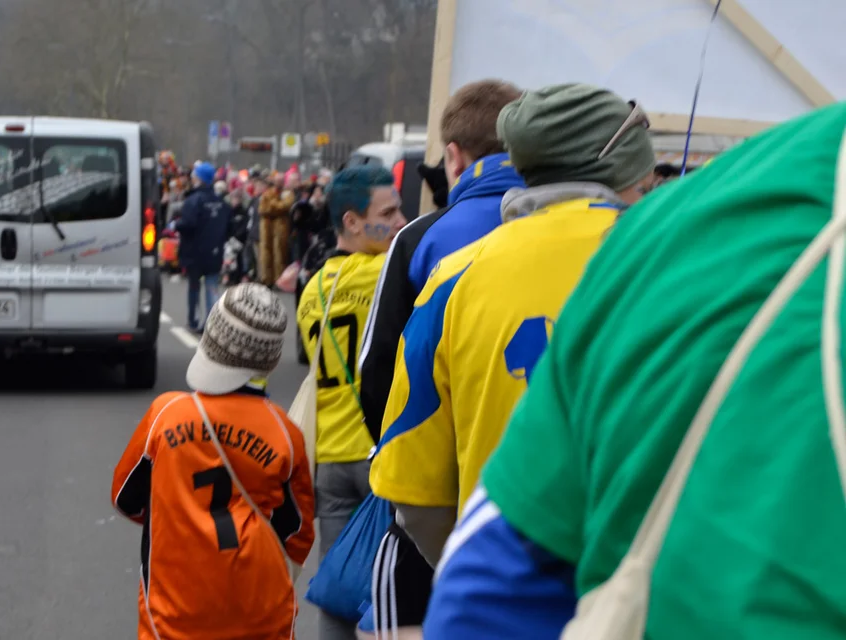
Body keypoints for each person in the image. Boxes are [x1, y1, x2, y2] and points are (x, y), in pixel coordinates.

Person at [424, 88, 846, 640]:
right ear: (625, 172)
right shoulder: (649, 235)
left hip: (532, 534)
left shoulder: (664, 235)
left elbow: (479, 583)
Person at [370, 86, 655, 640]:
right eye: (647, 182)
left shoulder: (452, 281)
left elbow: (413, 490)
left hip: (502, 610)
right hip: (656, 602)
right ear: (625, 173)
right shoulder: (677, 259)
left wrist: (483, 563)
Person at [355, 78, 524, 636]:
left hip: (439, 496)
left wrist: (404, 459)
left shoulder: (421, 238)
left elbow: (376, 369)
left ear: (453, 156)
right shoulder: (570, 230)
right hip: (542, 489)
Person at [112, 283, 315, 640]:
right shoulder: (285, 433)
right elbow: (297, 530)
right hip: (261, 612)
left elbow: (126, 497)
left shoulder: (167, 414)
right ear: (269, 360)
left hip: (173, 613)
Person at [296, 166, 407, 640]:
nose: (402, 219)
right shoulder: (389, 273)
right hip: (379, 456)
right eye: (389, 212)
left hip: (331, 463)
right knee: (399, 597)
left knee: (338, 592)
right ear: (352, 221)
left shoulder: (311, 290)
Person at [176, 162, 231, 332]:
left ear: (199, 179)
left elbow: (188, 224)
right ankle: (212, 324)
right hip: (214, 252)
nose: (192, 179)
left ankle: (194, 321)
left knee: (194, 286)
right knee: (212, 286)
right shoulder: (222, 203)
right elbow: (229, 228)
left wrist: (176, 225)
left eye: (194, 176)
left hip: (194, 252)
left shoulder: (194, 200)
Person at [259, 174, 296, 286]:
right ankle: (266, 279)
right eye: (276, 181)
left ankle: (278, 279)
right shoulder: (268, 192)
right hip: (267, 227)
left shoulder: (287, 193)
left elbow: (285, 206)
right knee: (266, 253)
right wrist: (275, 206)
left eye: (280, 181)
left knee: (279, 253)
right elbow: (262, 209)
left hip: (280, 228)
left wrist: (272, 204)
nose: (278, 183)